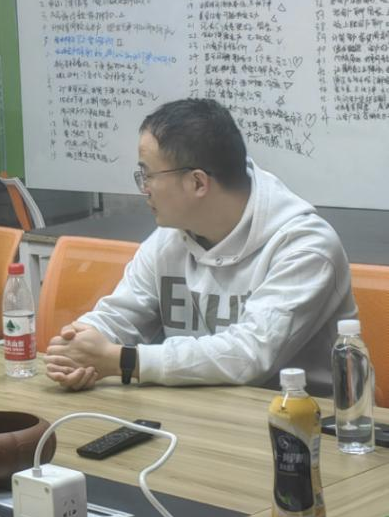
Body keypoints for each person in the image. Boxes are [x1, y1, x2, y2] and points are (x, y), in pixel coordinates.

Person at [44, 99, 355, 394]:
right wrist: (79, 343)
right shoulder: (170, 236)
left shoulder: (305, 247)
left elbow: (249, 356)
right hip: (192, 407)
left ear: (197, 183)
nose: (144, 189)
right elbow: (121, 314)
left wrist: (123, 360)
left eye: (148, 175)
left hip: (303, 419)